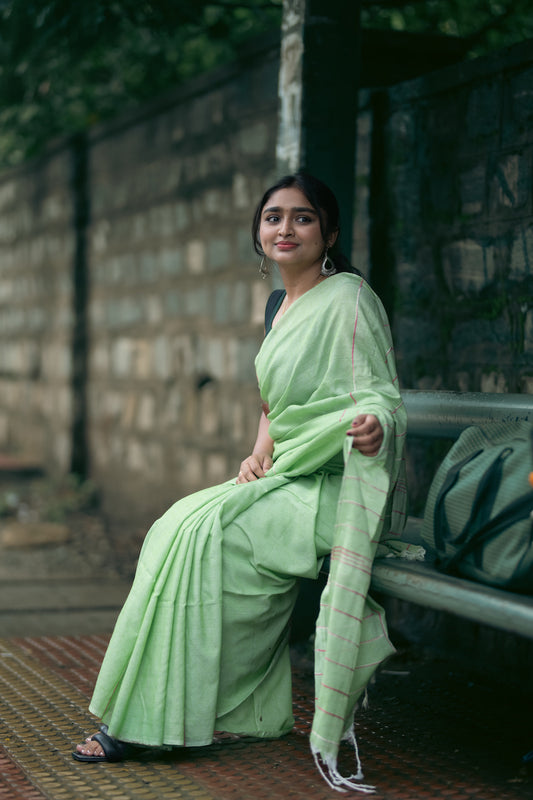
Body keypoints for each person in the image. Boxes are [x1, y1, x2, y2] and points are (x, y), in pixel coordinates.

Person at [73, 173, 408, 793]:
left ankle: (155, 723)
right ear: (258, 233)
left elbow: (382, 393)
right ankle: (171, 708)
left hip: (337, 482)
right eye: (274, 217)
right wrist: (259, 453)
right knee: (176, 525)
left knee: (210, 534)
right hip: (288, 474)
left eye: (303, 218)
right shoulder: (278, 306)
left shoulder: (350, 298)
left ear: (329, 233)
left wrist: (373, 428)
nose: (286, 228)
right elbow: (273, 404)